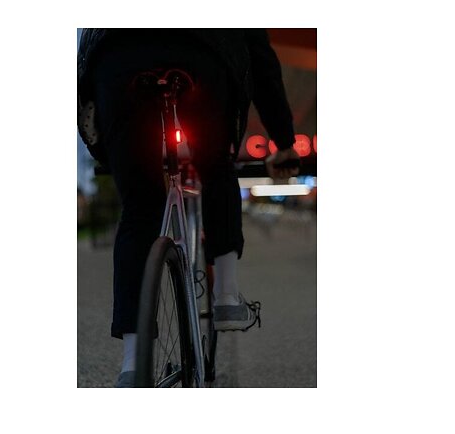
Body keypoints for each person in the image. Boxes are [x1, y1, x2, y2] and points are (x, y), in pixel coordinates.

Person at [77, 29, 300, 387]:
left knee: (139, 205)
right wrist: (285, 143)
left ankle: (133, 365)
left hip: (117, 57)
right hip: (204, 51)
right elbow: (261, 62)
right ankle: (226, 294)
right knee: (216, 164)